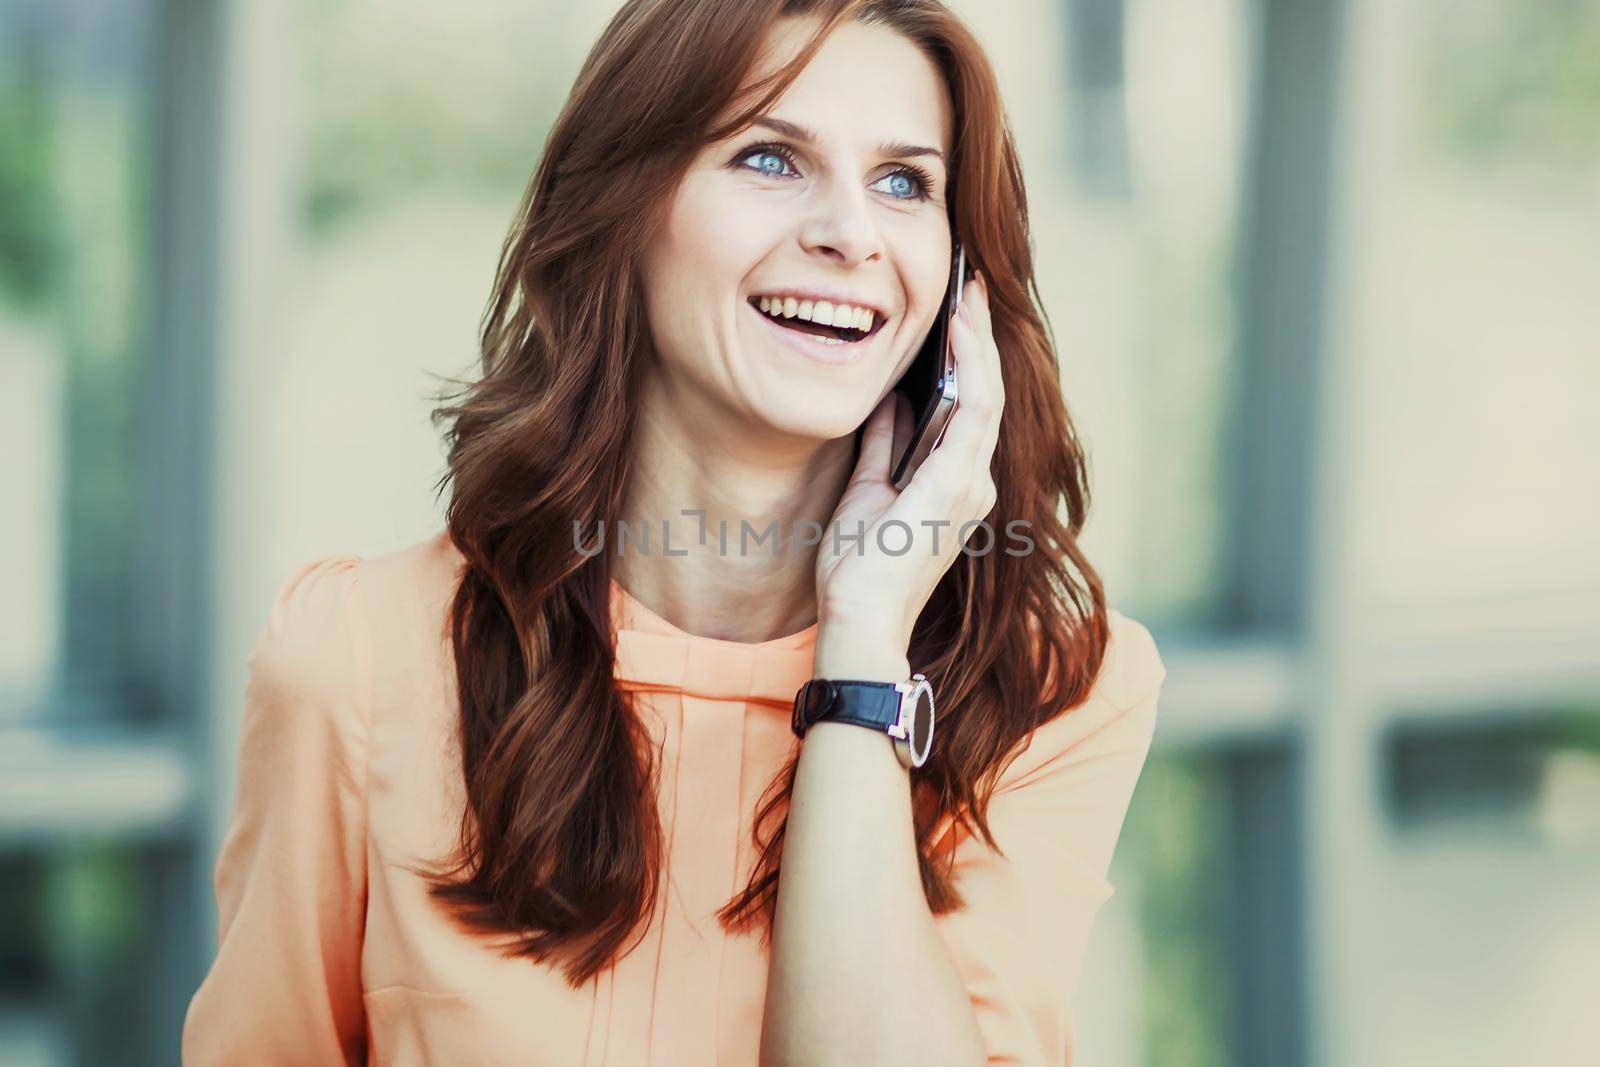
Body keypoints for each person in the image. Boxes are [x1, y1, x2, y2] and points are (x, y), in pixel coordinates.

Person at [181, 1, 1167, 1064]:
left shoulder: (1051, 693)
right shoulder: (355, 661)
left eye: (903, 181)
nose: (850, 232)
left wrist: (864, 650)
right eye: (769, 157)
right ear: (622, 205)